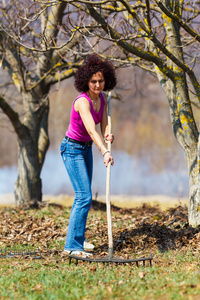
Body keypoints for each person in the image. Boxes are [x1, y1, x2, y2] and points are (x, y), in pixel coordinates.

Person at [60, 53, 117, 257]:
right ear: (86, 81)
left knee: (85, 196)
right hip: (72, 149)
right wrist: (104, 152)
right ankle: (72, 247)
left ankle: (79, 238)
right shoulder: (82, 102)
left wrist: (108, 137)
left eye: (101, 81)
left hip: (85, 149)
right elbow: (92, 130)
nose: (97, 85)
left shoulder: (101, 98)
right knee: (83, 196)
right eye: (93, 81)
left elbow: (103, 125)